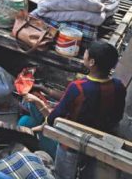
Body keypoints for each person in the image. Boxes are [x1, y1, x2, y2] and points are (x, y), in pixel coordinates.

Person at [25, 42, 126, 179]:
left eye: (86, 52)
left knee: (26, 121)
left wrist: (38, 102)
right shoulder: (118, 86)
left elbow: (53, 118)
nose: (84, 53)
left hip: (71, 144)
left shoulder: (78, 87)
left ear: (91, 62)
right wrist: (45, 90)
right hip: (100, 143)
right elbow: (117, 117)